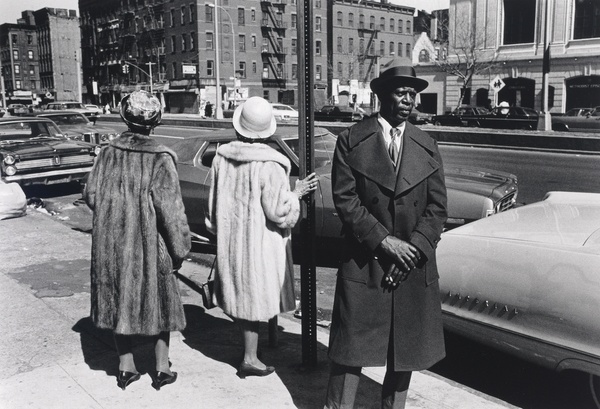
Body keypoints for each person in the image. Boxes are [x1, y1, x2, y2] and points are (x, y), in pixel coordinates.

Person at [325, 58, 448, 408]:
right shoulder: (351, 140)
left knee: (403, 352)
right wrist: (385, 242)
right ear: (382, 95)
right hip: (366, 262)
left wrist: (412, 251)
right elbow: (345, 201)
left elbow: (437, 208)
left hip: (410, 265)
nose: (408, 100)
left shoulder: (427, 144)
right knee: (350, 350)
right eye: (401, 93)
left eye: (412, 94)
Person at [84, 90, 191, 391]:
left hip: (111, 244)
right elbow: (171, 210)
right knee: (162, 305)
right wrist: (180, 248)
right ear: (156, 121)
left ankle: (126, 367)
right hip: (148, 246)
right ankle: (161, 368)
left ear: (124, 117)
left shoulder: (106, 153)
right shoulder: (160, 157)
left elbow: (91, 195)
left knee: (118, 300)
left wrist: (114, 212)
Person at [206, 96, 318, 378]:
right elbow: (279, 212)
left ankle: (251, 352)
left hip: (232, 242)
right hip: (261, 245)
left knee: (241, 295)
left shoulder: (222, 158)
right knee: (255, 296)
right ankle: (250, 358)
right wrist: (297, 194)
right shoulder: (271, 164)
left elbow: (212, 211)